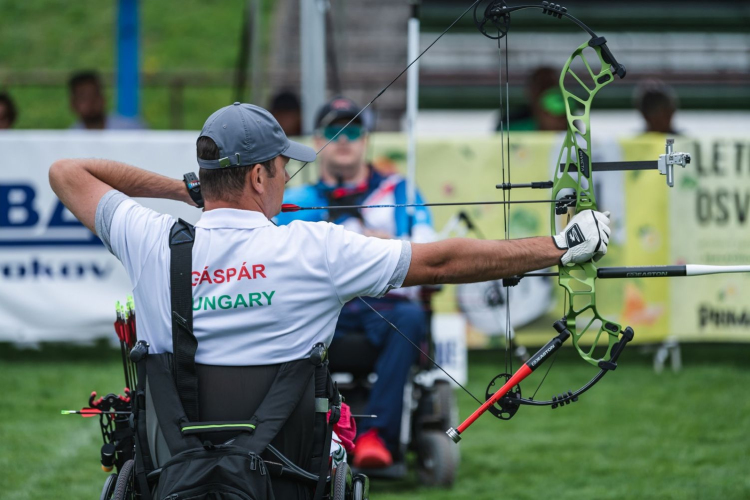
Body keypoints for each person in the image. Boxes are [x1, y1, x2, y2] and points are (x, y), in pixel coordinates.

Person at [49, 102, 611, 498]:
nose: (288, 180)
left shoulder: (149, 242)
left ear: (209, 176)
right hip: (286, 480)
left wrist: (186, 192)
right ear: (261, 178)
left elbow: (67, 172)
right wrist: (562, 246)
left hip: (170, 478)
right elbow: (441, 262)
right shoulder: (313, 249)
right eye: (284, 168)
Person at [276, 96, 436, 468]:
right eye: (334, 131)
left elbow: (429, 257)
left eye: (354, 131)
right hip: (316, 309)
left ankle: (375, 437)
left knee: (411, 319)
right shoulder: (292, 199)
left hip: (381, 305)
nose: (344, 139)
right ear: (318, 142)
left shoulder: (400, 193)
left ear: (366, 141)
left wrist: (378, 244)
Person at [68, 70, 146, 130]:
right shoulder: (70, 140)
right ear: (73, 103)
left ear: (103, 98)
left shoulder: (131, 129)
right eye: (84, 98)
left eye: (95, 95)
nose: (91, 102)